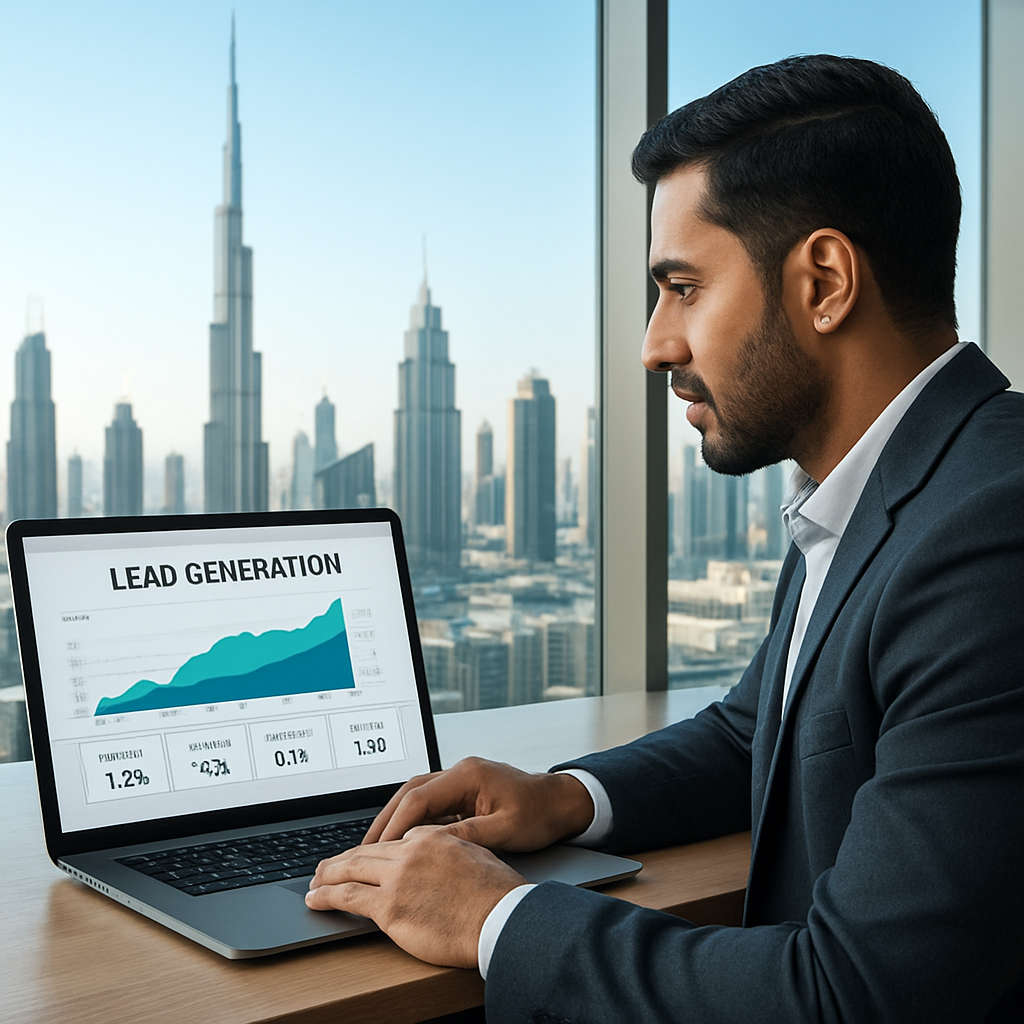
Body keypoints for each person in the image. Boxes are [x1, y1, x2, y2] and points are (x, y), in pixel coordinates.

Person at [306, 55, 1024, 1022]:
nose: (655, 343)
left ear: (823, 281)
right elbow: (758, 732)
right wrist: (562, 798)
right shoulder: (891, 483)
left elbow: (855, 999)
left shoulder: (989, 533)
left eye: (682, 286)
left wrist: (497, 919)